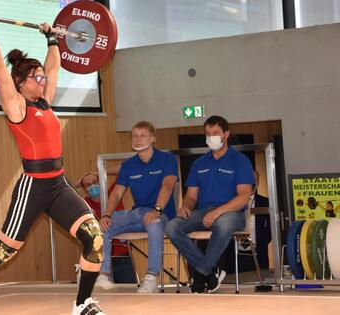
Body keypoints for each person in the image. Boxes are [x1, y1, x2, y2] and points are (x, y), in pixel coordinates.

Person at [0, 12, 105, 315]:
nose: (43, 81)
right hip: (33, 187)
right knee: (2, 253)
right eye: (36, 78)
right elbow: (0, 69)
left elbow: (54, 66)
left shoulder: (45, 101)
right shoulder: (16, 107)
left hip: (58, 184)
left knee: (94, 239)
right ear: (21, 82)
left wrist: (52, 38)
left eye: (43, 77)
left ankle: (82, 304)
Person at [165, 115, 254, 294]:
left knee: (222, 223)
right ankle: (210, 270)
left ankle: (200, 274)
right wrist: (186, 207)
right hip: (203, 211)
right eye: (208, 133)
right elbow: (191, 197)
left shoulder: (240, 161)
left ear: (226, 134)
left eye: (215, 133)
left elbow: (243, 197)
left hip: (232, 212)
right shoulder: (200, 163)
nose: (211, 137)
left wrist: (218, 212)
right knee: (172, 227)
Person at [97, 121, 178, 293]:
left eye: (143, 136)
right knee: (103, 226)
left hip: (160, 214)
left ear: (153, 138)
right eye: (135, 136)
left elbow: (168, 186)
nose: (138, 140)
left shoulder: (167, 159)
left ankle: (151, 278)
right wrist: (107, 214)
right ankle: (103, 275)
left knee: (154, 224)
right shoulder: (128, 165)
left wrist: (157, 210)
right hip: (137, 214)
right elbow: (117, 193)